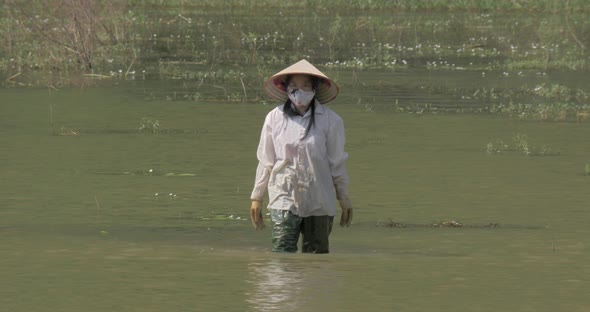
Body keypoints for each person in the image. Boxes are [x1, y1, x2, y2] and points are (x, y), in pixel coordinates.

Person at [249, 59, 353, 254]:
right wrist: (257, 197)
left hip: (319, 199)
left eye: (306, 85)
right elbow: (266, 160)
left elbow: (336, 163)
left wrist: (343, 197)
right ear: (287, 89)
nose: (300, 91)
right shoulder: (275, 118)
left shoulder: (331, 121)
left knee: (316, 259)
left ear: (314, 89)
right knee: (282, 255)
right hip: (283, 195)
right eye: (294, 86)